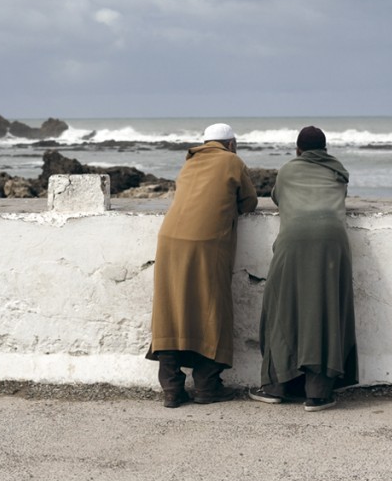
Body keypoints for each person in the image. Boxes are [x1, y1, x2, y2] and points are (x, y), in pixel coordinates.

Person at [145, 122, 259, 408]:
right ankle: (207, 386)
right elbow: (249, 203)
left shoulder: (189, 163)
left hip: (169, 239)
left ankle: (172, 390)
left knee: (170, 309)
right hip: (208, 242)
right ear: (231, 144)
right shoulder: (233, 161)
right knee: (212, 307)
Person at [250, 125, 359, 412]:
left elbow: (278, 197)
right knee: (325, 310)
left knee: (281, 307)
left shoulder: (287, 170)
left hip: (294, 240)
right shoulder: (339, 171)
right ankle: (319, 393)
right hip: (333, 242)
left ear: (298, 149)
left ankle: (276, 386)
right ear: (325, 149)